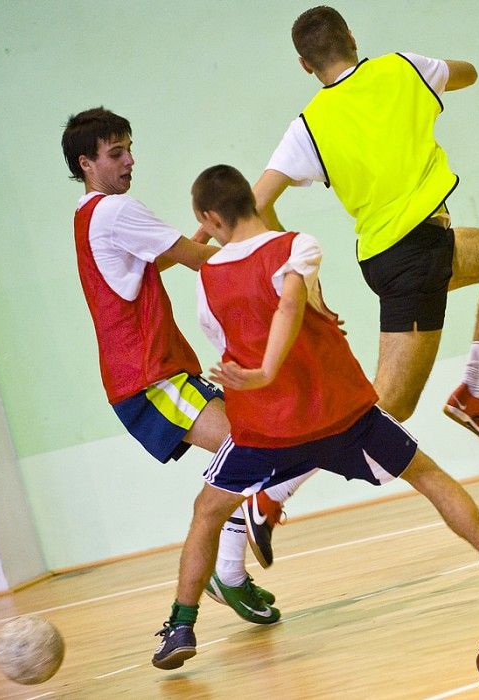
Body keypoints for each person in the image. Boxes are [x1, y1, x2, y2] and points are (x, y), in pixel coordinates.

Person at [150, 163, 479, 670]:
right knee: (427, 475)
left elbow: (226, 340)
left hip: (263, 428)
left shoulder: (207, 278)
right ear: (249, 199)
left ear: (208, 218)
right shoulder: (297, 245)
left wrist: (260, 373)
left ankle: (181, 625)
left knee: (207, 513)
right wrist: (284, 354)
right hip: (338, 413)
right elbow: (293, 304)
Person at [251, 6, 479, 454]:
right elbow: (469, 73)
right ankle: (277, 481)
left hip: (410, 248)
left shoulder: (306, 127)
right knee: (389, 409)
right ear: (352, 37)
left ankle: (477, 391)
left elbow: (257, 203)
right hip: (412, 259)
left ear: (305, 65)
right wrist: (430, 76)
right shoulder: (404, 68)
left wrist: (304, 276)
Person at [61, 107, 306, 627]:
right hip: (149, 377)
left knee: (255, 450)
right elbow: (201, 260)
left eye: (130, 148)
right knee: (256, 448)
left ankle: (226, 571)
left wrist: (208, 232)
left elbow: (169, 255)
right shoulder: (116, 210)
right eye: (116, 153)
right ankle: (221, 575)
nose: (130, 161)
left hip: (155, 374)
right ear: (86, 163)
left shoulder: (87, 214)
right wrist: (280, 263)